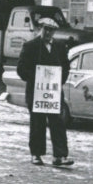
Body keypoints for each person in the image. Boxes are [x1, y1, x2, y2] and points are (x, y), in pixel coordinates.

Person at [17, 17, 73, 167]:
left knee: (58, 122)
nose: (48, 32)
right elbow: (21, 69)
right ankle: (36, 154)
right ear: (40, 29)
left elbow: (66, 67)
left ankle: (59, 156)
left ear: (54, 31)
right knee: (37, 122)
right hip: (36, 92)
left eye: (51, 30)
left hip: (53, 93)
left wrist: (59, 80)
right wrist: (37, 78)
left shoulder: (60, 47)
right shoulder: (30, 46)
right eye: (45, 29)